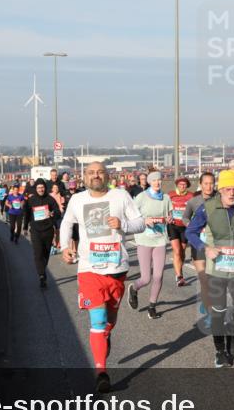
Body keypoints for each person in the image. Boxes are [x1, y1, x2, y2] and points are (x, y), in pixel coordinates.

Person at [60, 162, 145, 393]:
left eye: (99, 172)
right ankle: (101, 373)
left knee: (110, 319)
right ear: (83, 177)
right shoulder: (77, 200)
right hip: (89, 268)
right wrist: (65, 247)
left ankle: (104, 335)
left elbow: (140, 223)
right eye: (90, 172)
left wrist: (123, 224)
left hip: (117, 266)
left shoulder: (121, 196)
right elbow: (67, 223)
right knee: (96, 320)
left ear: (107, 176)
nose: (95, 176)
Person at [185, 169, 234, 367]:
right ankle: (220, 350)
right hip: (216, 269)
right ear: (220, 190)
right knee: (218, 311)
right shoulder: (208, 207)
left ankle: (230, 329)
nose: (231, 193)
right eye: (227, 189)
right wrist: (205, 248)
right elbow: (191, 231)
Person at [128, 171, 172, 319]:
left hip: (160, 239)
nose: (157, 183)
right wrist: (145, 221)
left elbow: (169, 216)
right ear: (149, 182)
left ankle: (152, 306)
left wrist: (168, 219)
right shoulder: (141, 197)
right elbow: (131, 216)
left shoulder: (166, 198)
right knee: (146, 278)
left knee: (158, 276)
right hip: (144, 240)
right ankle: (134, 289)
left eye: (159, 180)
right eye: (154, 181)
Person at [184, 172, 217, 329]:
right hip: (198, 244)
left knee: (214, 280)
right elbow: (185, 217)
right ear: (200, 184)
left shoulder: (219, 199)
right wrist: (193, 226)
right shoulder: (193, 202)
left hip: (215, 245)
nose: (209, 186)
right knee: (204, 279)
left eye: (211, 183)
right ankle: (210, 314)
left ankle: (208, 303)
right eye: (206, 183)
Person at [22, 179, 60, 288]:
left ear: (45, 188)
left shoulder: (50, 199)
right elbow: (27, 214)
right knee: (38, 253)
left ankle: (42, 270)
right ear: (36, 189)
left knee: (46, 253)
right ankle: (42, 275)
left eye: (42, 187)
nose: (41, 189)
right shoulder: (31, 200)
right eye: (38, 188)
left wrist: (52, 213)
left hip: (48, 230)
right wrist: (25, 227)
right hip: (35, 230)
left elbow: (58, 212)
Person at [168, 177, 195, 287]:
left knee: (182, 251)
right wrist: (168, 215)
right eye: (180, 184)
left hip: (185, 226)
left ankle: (180, 269)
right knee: (177, 250)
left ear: (187, 186)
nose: (182, 186)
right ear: (177, 185)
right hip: (173, 225)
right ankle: (179, 276)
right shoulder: (171, 195)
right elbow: (166, 207)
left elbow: (194, 209)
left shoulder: (191, 196)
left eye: (184, 185)